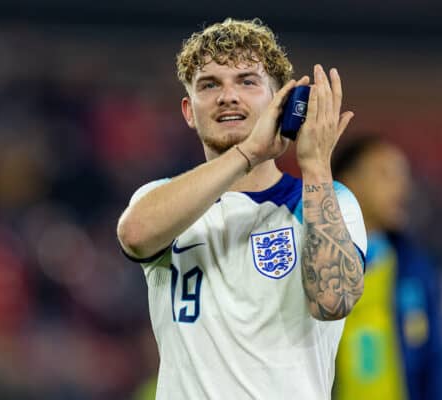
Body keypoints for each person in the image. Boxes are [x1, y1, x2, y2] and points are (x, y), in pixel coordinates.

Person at [116, 18, 367, 399]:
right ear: (188, 110)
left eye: (247, 81)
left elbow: (333, 301)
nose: (227, 96)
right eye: (209, 84)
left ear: (279, 101)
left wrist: (315, 165)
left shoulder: (326, 200)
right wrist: (248, 153)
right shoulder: (164, 198)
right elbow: (134, 236)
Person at [332, 135, 442, 400]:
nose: (401, 188)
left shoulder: (415, 270)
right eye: (385, 175)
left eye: (403, 178)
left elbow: (435, 363)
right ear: (348, 183)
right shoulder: (314, 263)